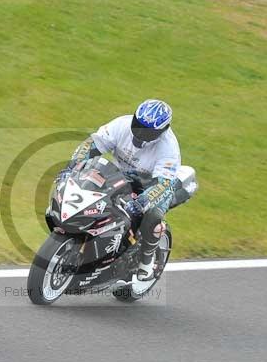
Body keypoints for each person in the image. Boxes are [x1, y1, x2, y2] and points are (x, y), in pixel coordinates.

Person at [61, 99, 181, 280]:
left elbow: (162, 185)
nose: (140, 133)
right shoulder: (121, 124)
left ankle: (146, 264)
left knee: (152, 217)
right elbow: (92, 144)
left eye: (148, 131)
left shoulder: (168, 148)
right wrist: (72, 166)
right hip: (121, 175)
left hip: (154, 186)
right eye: (138, 125)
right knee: (90, 188)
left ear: (162, 130)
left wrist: (141, 203)